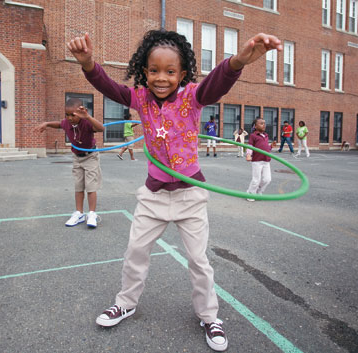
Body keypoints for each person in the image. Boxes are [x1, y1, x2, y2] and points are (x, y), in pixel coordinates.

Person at [67, 29, 282, 351]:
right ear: (144, 72)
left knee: (198, 260)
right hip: (153, 195)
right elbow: (109, 88)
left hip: (189, 195)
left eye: (170, 71)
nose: (161, 78)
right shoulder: (139, 98)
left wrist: (237, 62)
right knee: (135, 253)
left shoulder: (193, 96)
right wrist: (88, 64)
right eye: (153, 71)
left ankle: (209, 316)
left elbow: (216, 85)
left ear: (182, 74)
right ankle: (126, 303)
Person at [35, 98, 105, 228]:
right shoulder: (67, 123)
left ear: (82, 112)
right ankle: (79, 213)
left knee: (91, 187)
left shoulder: (86, 123)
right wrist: (47, 123)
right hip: (77, 157)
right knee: (78, 186)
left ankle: (92, 214)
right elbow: (59, 124)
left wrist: (88, 117)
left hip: (90, 157)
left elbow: (101, 128)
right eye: (67, 114)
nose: (69, 118)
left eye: (73, 115)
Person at [245, 118, 272, 201]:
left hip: (266, 160)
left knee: (267, 179)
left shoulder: (266, 135)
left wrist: (271, 146)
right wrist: (248, 155)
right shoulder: (253, 136)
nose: (264, 125)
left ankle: (259, 191)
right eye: (261, 123)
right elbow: (250, 146)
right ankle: (250, 194)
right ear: (255, 126)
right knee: (256, 180)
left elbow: (266, 148)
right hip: (257, 161)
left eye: (264, 123)